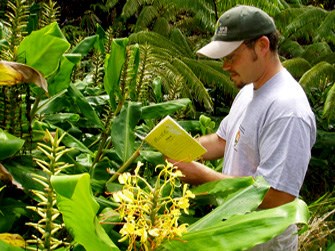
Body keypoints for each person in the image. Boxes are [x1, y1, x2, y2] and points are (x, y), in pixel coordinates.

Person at [168, 5, 316, 251]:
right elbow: (224, 140)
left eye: (231, 56)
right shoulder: (249, 90)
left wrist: (201, 176)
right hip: (233, 239)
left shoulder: (288, 110)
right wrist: (176, 146)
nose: (225, 66)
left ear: (262, 46)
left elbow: (278, 197)